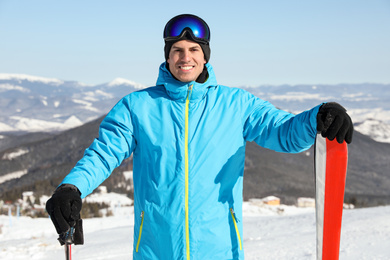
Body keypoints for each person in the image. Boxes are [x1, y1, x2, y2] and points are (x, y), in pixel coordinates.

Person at [46, 14, 353, 259]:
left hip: (220, 249)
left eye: (193, 50)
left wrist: (318, 116)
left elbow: (283, 132)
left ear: (205, 56)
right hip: (155, 250)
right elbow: (104, 154)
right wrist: (72, 186)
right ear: (167, 56)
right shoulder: (137, 106)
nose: (185, 57)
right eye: (177, 50)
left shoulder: (236, 104)